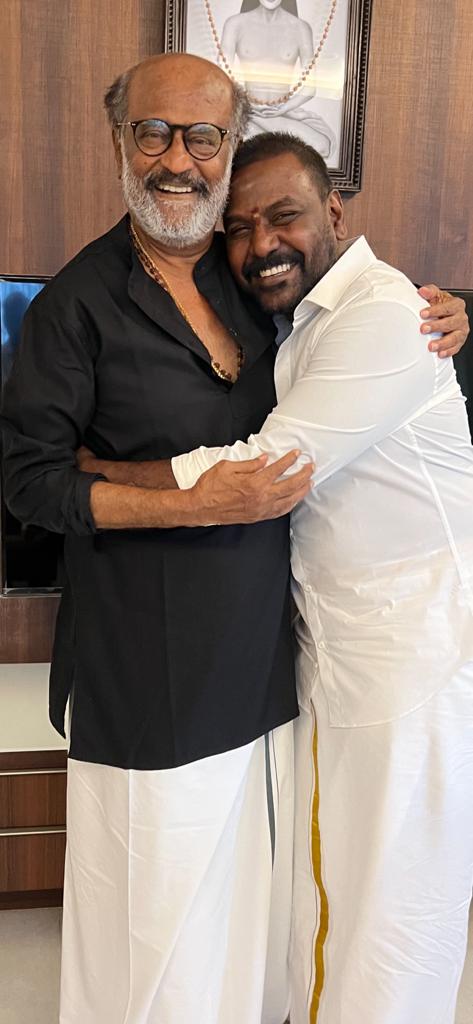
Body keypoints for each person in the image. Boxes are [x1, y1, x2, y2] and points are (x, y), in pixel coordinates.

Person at [0, 53, 468, 1024]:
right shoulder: (74, 307)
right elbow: (29, 483)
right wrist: (182, 502)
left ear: (229, 148)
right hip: (148, 675)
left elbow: (331, 366)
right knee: (156, 937)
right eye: (153, 132)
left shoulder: (246, 279)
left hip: (269, 674)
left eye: (203, 136)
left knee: (258, 933)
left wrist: (451, 316)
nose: (178, 159)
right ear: (118, 141)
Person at [165, 133, 473, 1024]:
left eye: (285, 216)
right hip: (347, 651)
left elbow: (272, 468)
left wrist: (95, 483)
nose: (261, 243)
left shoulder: (383, 314)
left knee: (387, 909)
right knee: (336, 892)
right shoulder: (303, 320)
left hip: (409, 659)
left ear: (334, 211)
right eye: (239, 227)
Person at [221, 0, 337, 157]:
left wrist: (283, 108)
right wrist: (247, 107)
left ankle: (261, 131)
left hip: (283, 111)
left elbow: (310, 88)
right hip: (246, 110)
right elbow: (221, 79)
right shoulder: (235, 24)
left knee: (322, 146)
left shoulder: (301, 28)